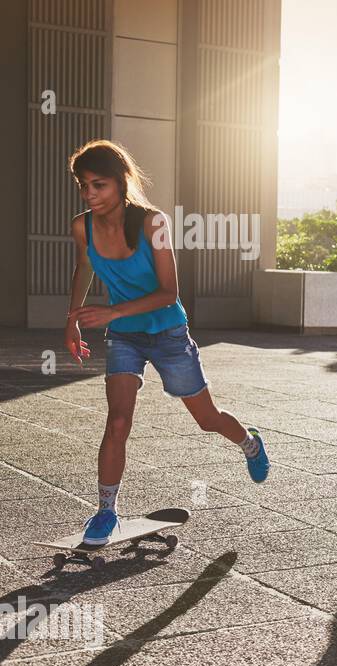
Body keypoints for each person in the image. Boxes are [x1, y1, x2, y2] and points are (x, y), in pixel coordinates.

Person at [64, 140, 269, 546]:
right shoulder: (81, 226)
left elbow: (168, 292)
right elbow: (85, 266)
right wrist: (72, 319)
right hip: (125, 336)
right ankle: (106, 511)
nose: (90, 194)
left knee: (207, 419)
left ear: (121, 182)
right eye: (83, 186)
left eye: (99, 185)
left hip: (168, 333)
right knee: (118, 420)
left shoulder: (152, 223)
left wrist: (110, 312)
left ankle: (249, 442)